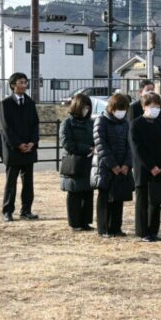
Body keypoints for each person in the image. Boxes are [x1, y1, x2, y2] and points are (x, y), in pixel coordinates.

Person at [129, 93, 161, 242]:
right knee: (143, 201)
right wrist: (151, 166)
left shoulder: (160, 123)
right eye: (152, 106)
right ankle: (142, 231)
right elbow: (137, 149)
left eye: (158, 107)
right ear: (144, 107)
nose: (155, 109)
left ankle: (153, 231)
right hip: (144, 169)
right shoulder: (136, 124)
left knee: (156, 201)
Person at [0, 73, 40, 221]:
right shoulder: (5, 104)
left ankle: (26, 210)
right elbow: (6, 128)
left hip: (29, 148)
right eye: (21, 82)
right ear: (13, 85)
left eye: (25, 82)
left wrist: (32, 143)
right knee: (11, 181)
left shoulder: (30, 102)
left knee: (28, 182)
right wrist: (18, 144)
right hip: (13, 149)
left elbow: (35, 124)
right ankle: (7, 211)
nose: (24, 84)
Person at [93, 94, 134, 238]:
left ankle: (116, 228)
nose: (122, 112)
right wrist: (113, 165)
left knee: (119, 198)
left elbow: (130, 146)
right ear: (112, 107)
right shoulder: (102, 120)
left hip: (123, 167)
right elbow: (100, 145)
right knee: (105, 198)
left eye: (124, 109)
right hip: (106, 167)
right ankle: (103, 228)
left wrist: (127, 164)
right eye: (119, 108)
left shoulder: (126, 123)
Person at [59, 93, 95, 231]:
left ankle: (86, 222)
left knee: (88, 193)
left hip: (89, 161)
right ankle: (74, 223)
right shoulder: (67, 123)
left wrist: (94, 147)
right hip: (74, 162)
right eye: (84, 107)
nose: (86, 110)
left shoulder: (91, 123)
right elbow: (67, 143)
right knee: (74, 193)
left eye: (88, 107)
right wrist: (87, 148)